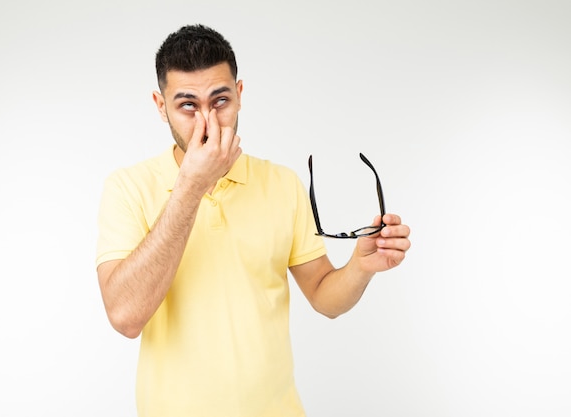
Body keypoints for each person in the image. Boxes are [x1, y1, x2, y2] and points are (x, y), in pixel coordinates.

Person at [96, 24, 411, 417]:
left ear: (240, 95)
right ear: (161, 107)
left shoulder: (281, 183)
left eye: (220, 100)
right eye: (188, 105)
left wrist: (361, 266)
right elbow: (125, 317)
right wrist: (192, 186)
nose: (208, 121)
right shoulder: (127, 187)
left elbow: (324, 297)